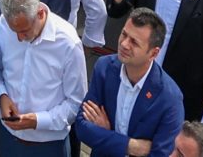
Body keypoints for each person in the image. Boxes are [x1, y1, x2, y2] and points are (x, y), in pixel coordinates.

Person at [0, 0, 88, 157]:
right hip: (8, 138)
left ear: (40, 14)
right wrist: (1, 96)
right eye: (14, 31)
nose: (19, 38)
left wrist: (37, 121)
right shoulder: (3, 24)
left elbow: (76, 104)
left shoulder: (68, 44)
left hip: (48, 147)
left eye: (24, 31)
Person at [78, 9, 187, 157]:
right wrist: (131, 146)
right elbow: (82, 127)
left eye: (134, 42)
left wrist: (106, 135)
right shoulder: (104, 67)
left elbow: (159, 154)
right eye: (124, 34)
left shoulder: (170, 98)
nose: (124, 44)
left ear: (154, 53)